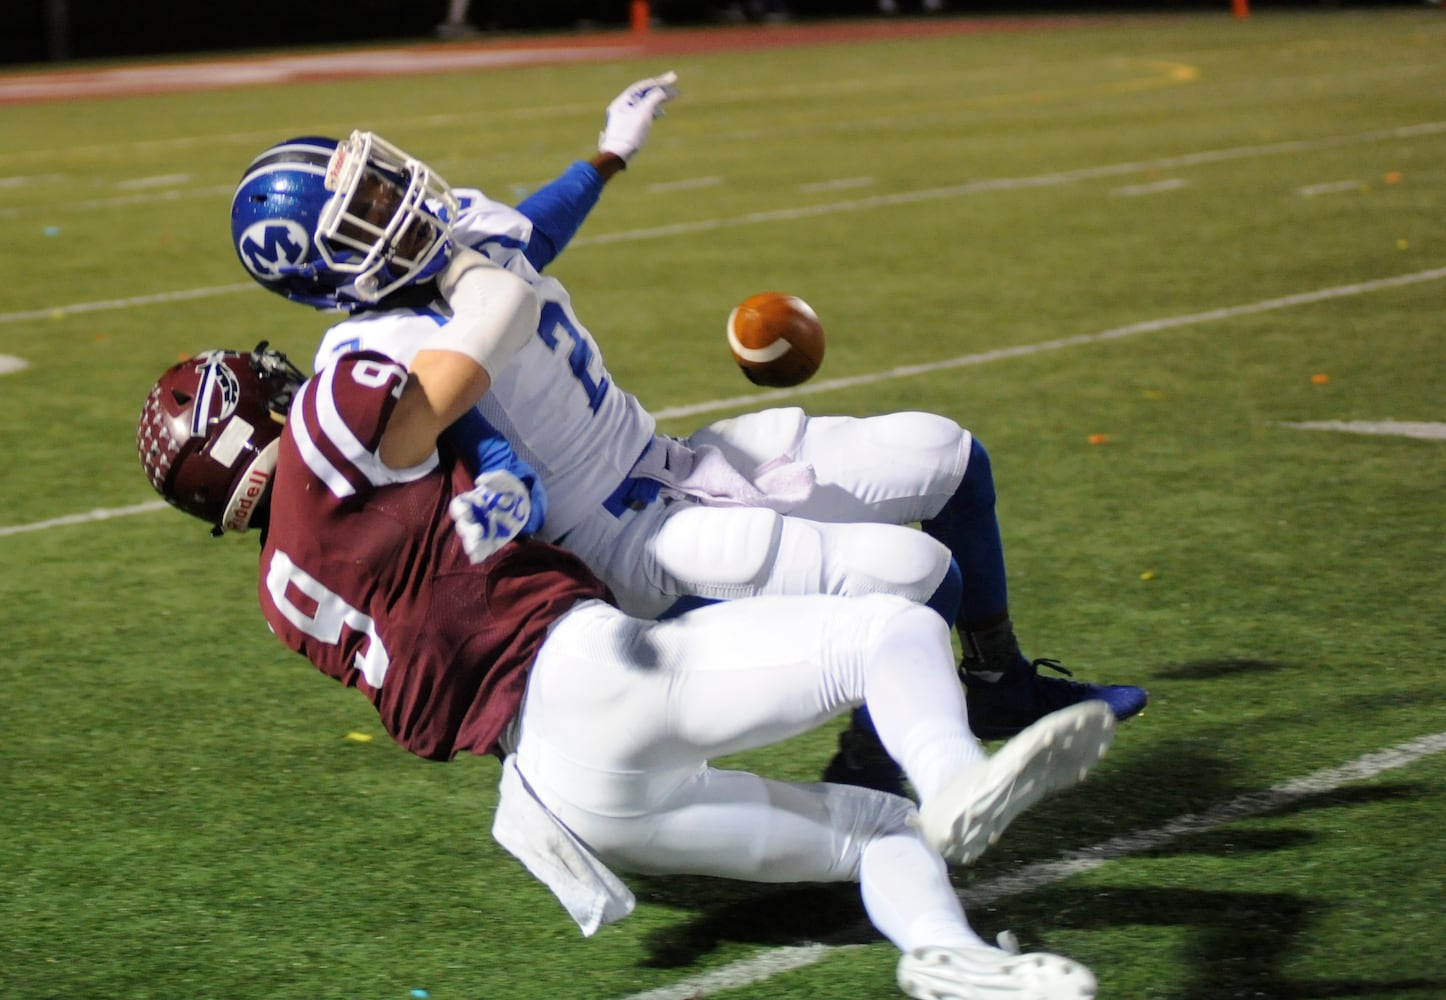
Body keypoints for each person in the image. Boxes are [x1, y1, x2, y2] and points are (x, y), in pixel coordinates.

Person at [134, 298, 1117, 998]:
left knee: (878, 831)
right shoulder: (329, 425)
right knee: (896, 629)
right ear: (254, 414)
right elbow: (479, 330)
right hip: (587, 675)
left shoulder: (277, 597)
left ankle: (947, 956)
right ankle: (953, 771)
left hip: (558, 790)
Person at [226, 72, 1145, 793]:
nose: (402, 204)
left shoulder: (454, 240)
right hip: (630, 543)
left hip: (676, 463)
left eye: (383, 184)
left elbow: (526, 237)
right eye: (369, 215)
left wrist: (608, 156)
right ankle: (879, 776)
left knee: (950, 455)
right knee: (915, 580)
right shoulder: (378, 355)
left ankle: (998, 683)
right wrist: (508, 494)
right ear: (327, 275)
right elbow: (462, 453)